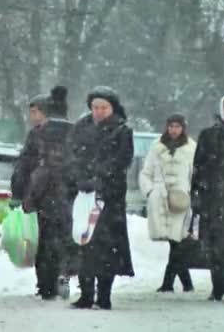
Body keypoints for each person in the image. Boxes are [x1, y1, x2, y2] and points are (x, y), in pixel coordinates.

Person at [67, 86, 134, 310]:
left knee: (108, 249)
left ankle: (104, 295)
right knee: (84, 244)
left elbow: (121, 160)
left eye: (104, 107)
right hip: (84, 196)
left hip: (109, 198)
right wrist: (79, 179)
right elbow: (72, 156)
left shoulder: (122, 130)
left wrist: (99, 178)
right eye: (95, 107)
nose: (99, 111)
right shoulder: (81, 128)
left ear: (112, 108)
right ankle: (86, 294)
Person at [10, 86, 74, 300]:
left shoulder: (38, 134)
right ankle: (62, 275)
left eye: (35, 112)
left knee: (45, 240)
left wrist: (18, 191)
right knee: (63, 238)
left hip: (42, 193)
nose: (32, 116)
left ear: (45, 111)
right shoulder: (73, 132)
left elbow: (25, 164)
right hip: (67, 194)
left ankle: (46, 284)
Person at [139, 114, 196, 292]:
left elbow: (195, 173)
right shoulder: (157, 147)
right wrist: (150, 192)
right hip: (160, 198)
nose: (174, 130)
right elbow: (146, 172)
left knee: (177, 240)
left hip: (181, 198)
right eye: (171, 126)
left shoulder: (191, 148)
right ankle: (183, 284)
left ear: (183, 128)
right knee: (175, 242)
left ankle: (170, 284)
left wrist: (193, 194)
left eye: (177, 126)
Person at [191, 93, 224, 302]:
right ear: (222, 109)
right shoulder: (209, 135)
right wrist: (197, 193)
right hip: (214, 197)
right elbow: (199, 166)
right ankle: (218, 286)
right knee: (214, 243)